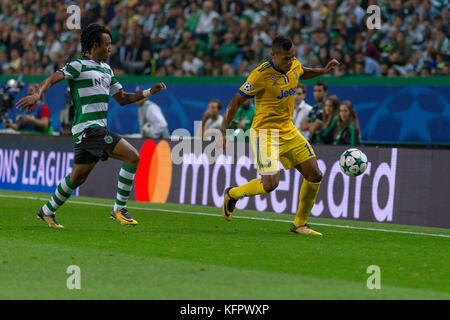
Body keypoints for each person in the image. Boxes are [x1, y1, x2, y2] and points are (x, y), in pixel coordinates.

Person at [16, 24, 167, 228]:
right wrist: (38, 93)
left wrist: (149, 92)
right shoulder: (78, 65)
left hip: (91, 131)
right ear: (95, 45)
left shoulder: (106, 69)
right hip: (89, 129)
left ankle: (46, 211)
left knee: (78, 177)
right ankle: (119, 209)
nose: (110, 48)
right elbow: (52, 78)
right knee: (132, 156)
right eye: (107, 44)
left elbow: (122, 98)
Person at [220, 35, 339, 235]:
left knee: (315, 174)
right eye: (286, 58)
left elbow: (302, 71)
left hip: (288, 130)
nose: (291, 61)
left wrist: (323, 71)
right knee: (270, 184)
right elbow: (235, 103)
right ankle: (232, 194)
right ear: (272, 55)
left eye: (293, 56)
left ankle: (300, 224)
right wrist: (223, 131)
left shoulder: (293, 65)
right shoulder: (259, 75)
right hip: (264, 134)